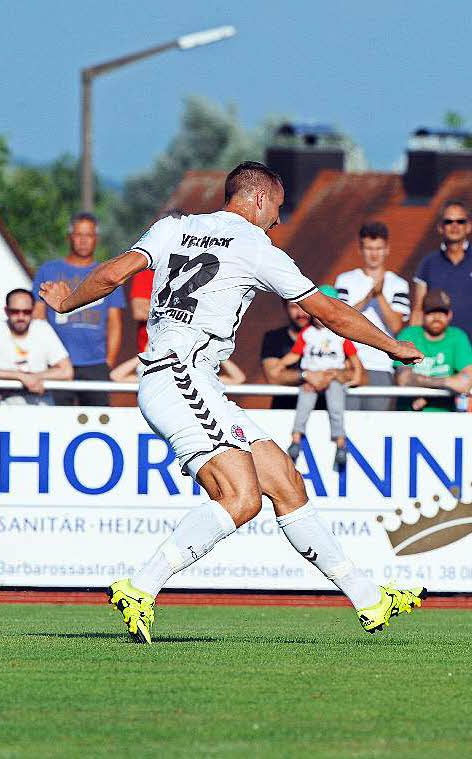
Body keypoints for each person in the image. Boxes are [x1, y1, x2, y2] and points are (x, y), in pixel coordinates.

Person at [38, 161, 426, 643]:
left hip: (186, 379)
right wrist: (392, 345)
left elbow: (115, 273)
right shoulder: (256, 247)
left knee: (285, 480)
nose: (278, 221)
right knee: (240, 499)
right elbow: (327, 311)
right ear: (260, 200)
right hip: (180, 375)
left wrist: (67, 302)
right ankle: (140, 586)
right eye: (278, 210)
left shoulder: (173, 228)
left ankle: (370, 598)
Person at [31, 211, 124, 405]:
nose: (83, 241)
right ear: (69, 237)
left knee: (98, 420)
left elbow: (115, 321)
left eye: (88, 235)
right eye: (78, 235)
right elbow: (38, 317)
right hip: (56, 362)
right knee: (54, 420)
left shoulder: (105, 273)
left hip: (95, 364)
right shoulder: (49, 270)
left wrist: (109, 361)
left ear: (96, 239)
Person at [411, 200, 472, 366]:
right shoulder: (427, 263)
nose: (454, 226)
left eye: (460, 221)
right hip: (436, 354)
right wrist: (413, 349)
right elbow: (418, 310)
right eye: (448, 221)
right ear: (440, 227)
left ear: (468, 226)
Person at [335, 221, 410, 411]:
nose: (374, 254)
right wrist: (367, 298)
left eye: (378, 248)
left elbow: (397, 327)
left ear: (387, 249)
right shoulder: (345, 280)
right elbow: (338, 319)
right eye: (369, 248)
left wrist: (380, 296)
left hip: (381, 364)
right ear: (361, 249)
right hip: (350, 364)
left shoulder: (398, 284)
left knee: (376, 424)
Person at [280, 316, 364, 470]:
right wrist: (280, 365)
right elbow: (295, 354)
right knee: (304, 405)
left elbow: (354, 358)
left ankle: (340, 443)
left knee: (336, 407)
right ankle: (296, 439)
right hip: (312, 378)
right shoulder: (307, 333)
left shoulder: (339, 334)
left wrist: (357, 375)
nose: (320, 318)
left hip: (333, 376)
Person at [395, 288, 472, 412]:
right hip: (409, 415)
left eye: (442, 312)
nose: (437, 317)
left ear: (450, 315)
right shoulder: (409, 335)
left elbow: (467, 381)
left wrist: (426, 395)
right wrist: (447, 382)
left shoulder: (458, 337)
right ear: (422, 314)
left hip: (445, 418)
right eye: (431, 312)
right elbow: (403, 379)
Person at [0, 288, 72, 405]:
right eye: (15, 311)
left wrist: (35, 377)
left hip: (41, 407)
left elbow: (66, 371)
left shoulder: (42, 329)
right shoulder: (1, 329)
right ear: (6, 311)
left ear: (33, 311)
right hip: (5, 409)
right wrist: (21, 377)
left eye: (26, 312)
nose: (21, 317)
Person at [260, 301, 335, 410]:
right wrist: (305, 376)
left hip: (323, 415)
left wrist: (330, 375)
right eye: (294, 307)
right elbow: (273, 377)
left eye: (305, 307)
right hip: (284, 412)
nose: (301, 313)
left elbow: (357, 376)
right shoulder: (274, 338)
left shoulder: (332, 338)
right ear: (285, 307)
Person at [131, 209, 186, 352]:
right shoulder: (147, 269)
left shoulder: (192, 267)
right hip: (152, 350)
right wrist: (181, 310)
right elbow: (139, 311)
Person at [111, 355, 245, 385]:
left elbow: (238, 378)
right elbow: (116, 376)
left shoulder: (194, 375)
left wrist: (215, 354)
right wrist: (147, 354)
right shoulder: (155, 378)